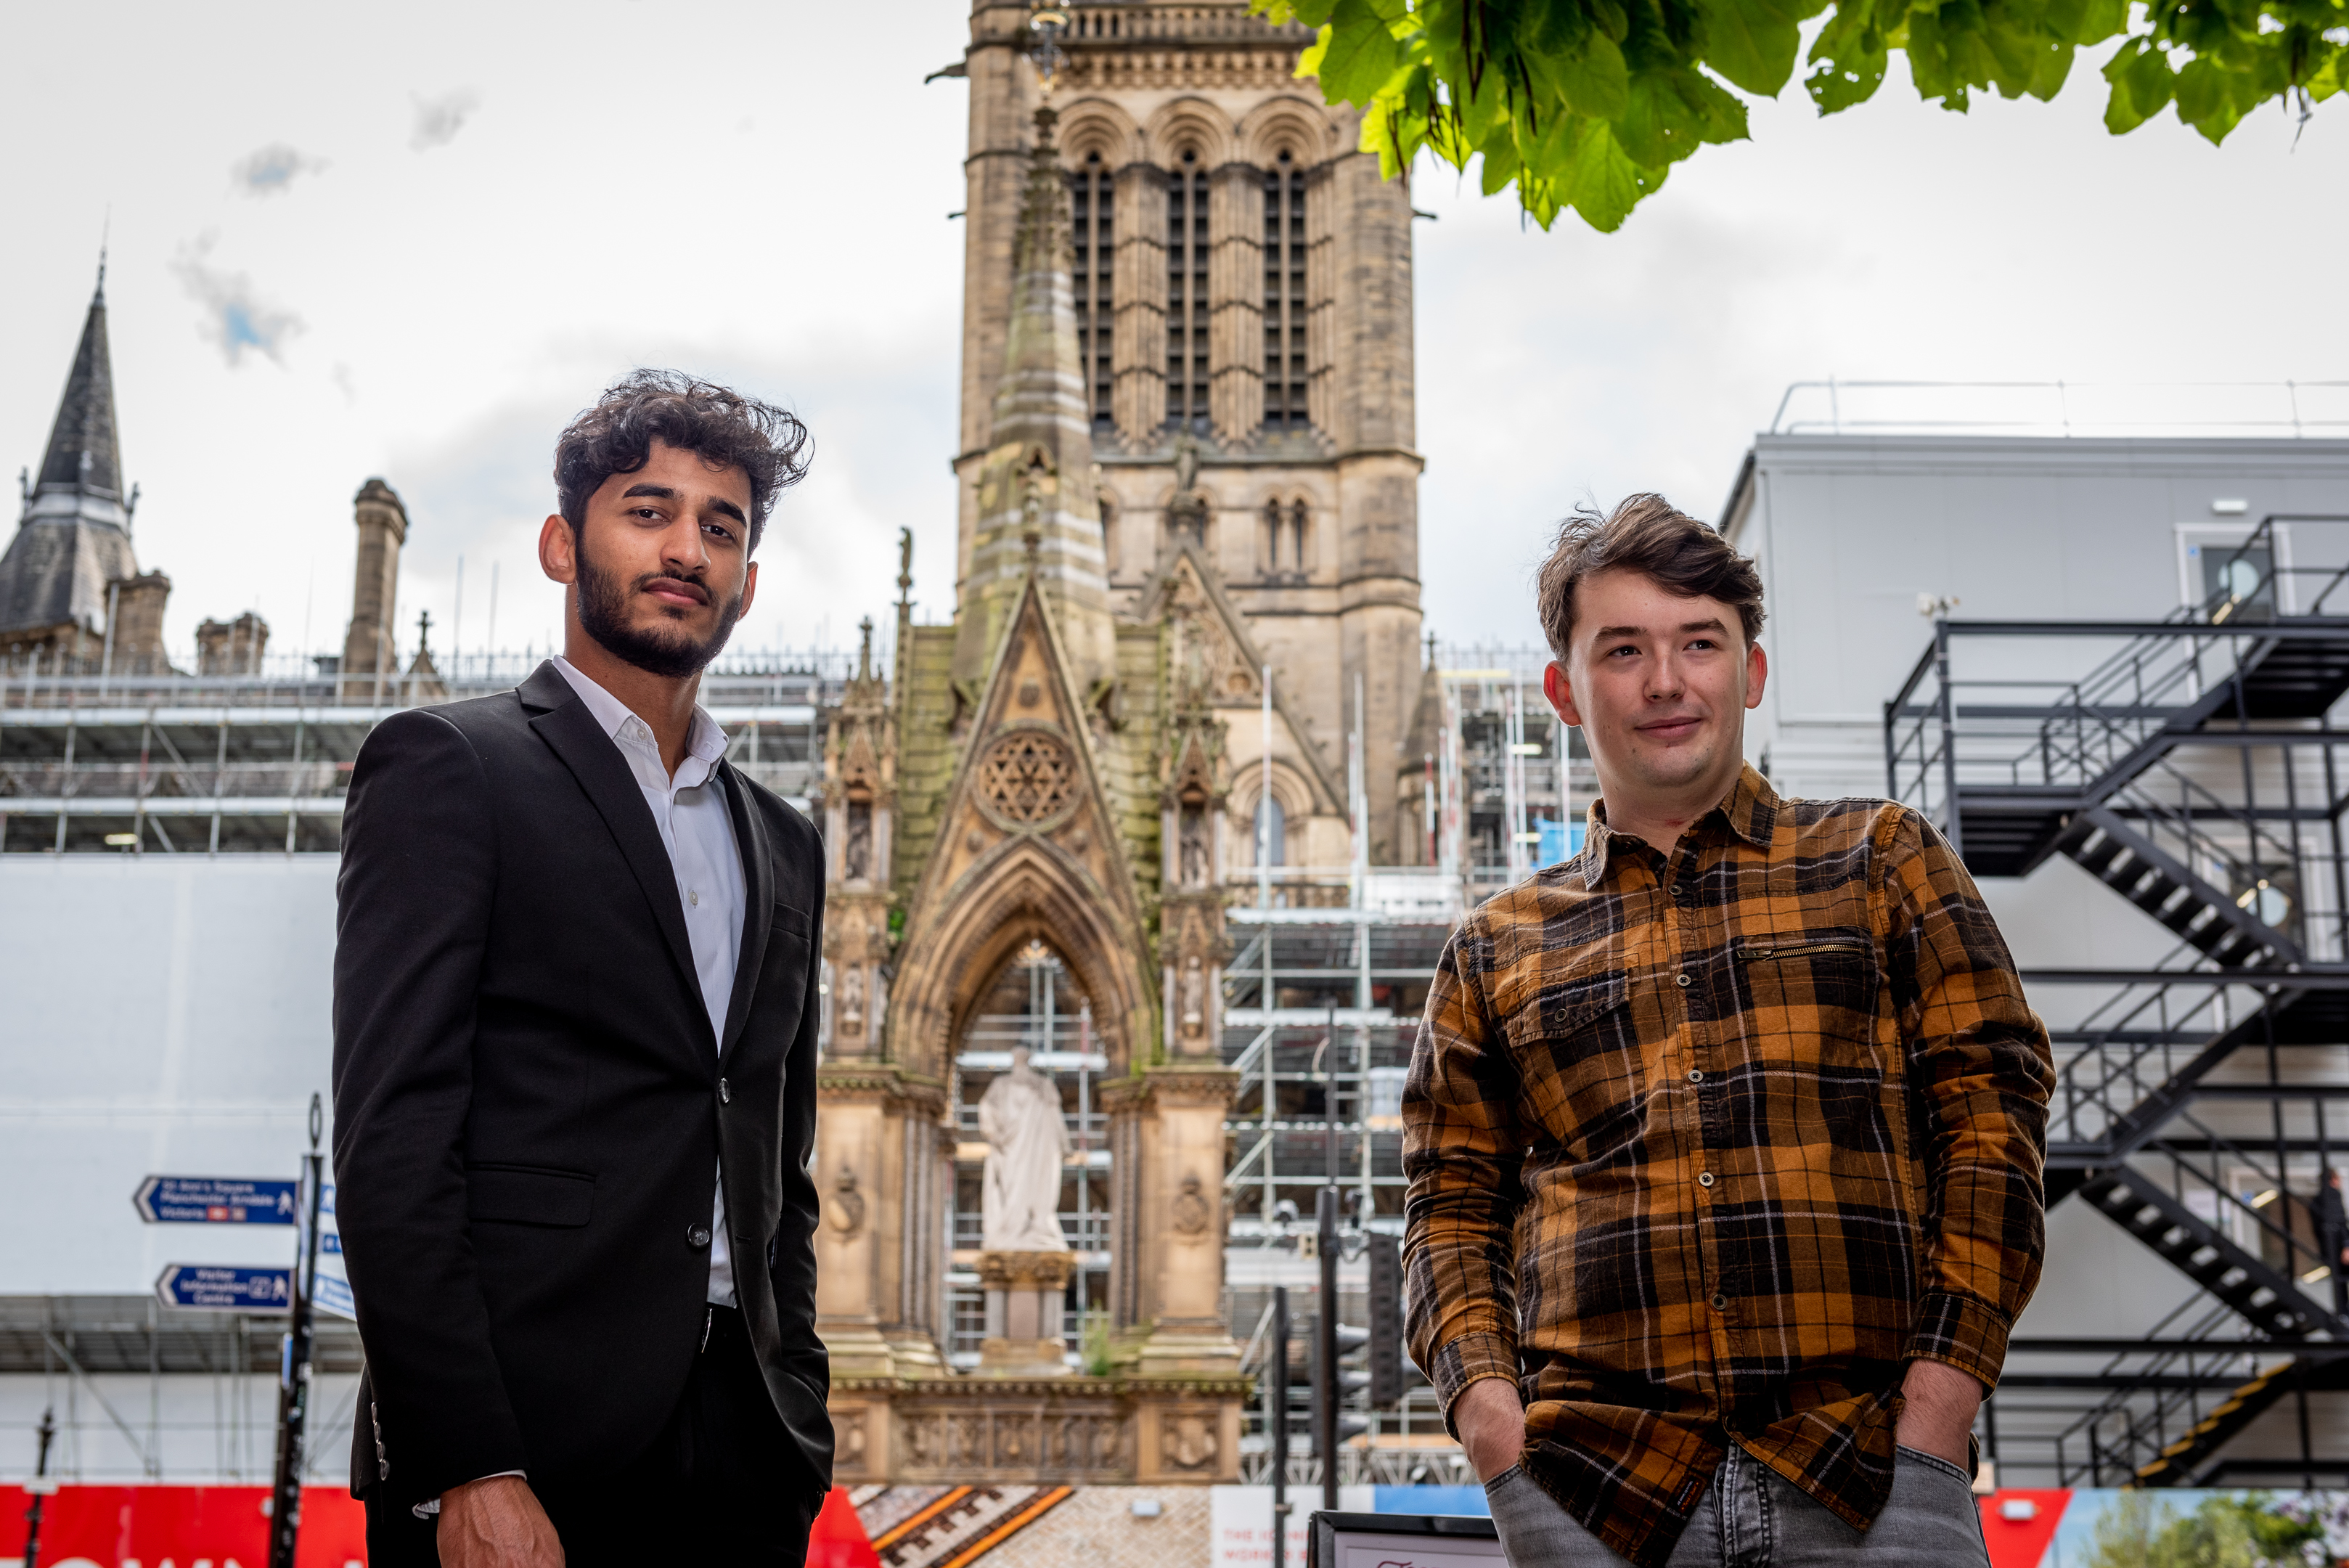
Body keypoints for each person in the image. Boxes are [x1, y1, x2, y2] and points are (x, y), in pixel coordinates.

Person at [1402, 496, 2054, 1567]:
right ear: (1566, 692)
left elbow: (1994, 1131)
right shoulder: (1494, 948)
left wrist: (1938, 1416)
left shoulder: (1883, 862)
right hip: (1597, 1504)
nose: (1666, 681)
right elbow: (1450, 1213)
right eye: (1624, 650)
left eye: (1698, 644)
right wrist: (1495, 1437)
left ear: (1748, 673)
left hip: (1871, 1481)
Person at [333, 371, 831, 1567]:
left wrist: (798, 1418)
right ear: (565, 544)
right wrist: (466, 1462)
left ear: (748, 583)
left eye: (721, 527)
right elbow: (392, 1143)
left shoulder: (784, 839)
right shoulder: (450, 763)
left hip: (743, 1457)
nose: (686, 549)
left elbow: (775, 1158)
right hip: (522, 1448)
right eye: (647, 510)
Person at [2317, 1168, 2349, 1318]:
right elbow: (2340, 1223)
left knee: (2339, 1283)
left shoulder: (2317, 1200)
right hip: (2339, 1247)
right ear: (2334, 1180)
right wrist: (2346, 1245)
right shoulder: (2333, 1195)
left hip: (2329, 1249)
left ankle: (2343, 1313)